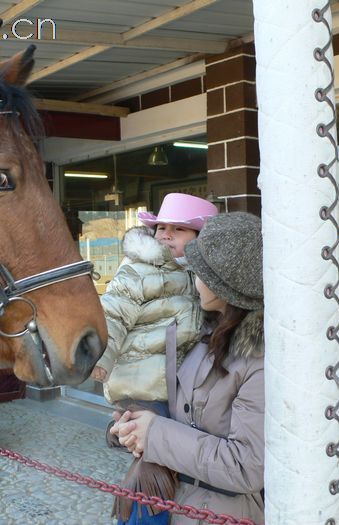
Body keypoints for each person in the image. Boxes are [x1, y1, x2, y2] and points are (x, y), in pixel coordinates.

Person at [110, 212, 265, 524]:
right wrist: (132, 424)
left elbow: (247, 467)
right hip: (171, 502)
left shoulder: (259, 360)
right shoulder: (200, 332)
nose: (193, 278)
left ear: (224, 286)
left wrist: (153, 433)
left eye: (201, 272)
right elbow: (177, 410)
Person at [91, 193, 219, 410]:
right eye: (161, 228)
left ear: (200, 237)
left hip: (183, 385)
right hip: (142, 386)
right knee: (148, 435)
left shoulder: (202, 275)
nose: (167, 235)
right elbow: (113, 314)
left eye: (179, 229)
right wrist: (101, 357)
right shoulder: (138, 270)